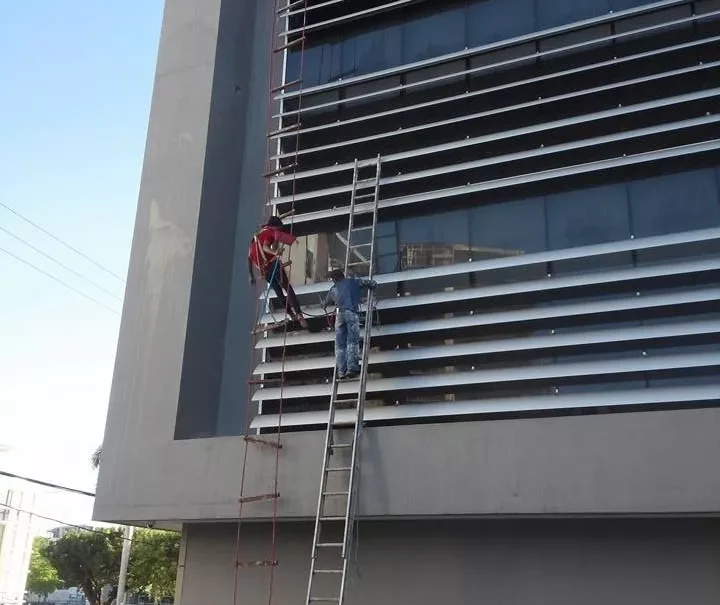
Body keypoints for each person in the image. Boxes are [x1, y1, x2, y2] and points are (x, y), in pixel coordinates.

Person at [248, 212, 308, 329]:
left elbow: (249, 258)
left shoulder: (256, 237)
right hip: (272, 265)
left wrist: (251, 275)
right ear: (274, 227)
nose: (279, 231)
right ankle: (299, 314)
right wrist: (275, 252)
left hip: (264, 270)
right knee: (287, 288)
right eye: (279, 228)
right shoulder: (269, 233)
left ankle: (291, 314)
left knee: (278, 292)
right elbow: (265, 247)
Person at [322, 269, 377, 379]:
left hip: (339, 316)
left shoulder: (333, 289)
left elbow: (325, 303)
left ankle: (341, 371)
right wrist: (373, 286)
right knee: (352, 341)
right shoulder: (353, 282)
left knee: (340, 344)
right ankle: (352, 368)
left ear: (335, 279)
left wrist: (324, 305)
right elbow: (371, 283)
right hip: (351, 313)